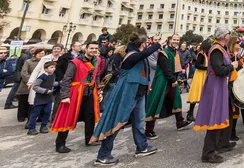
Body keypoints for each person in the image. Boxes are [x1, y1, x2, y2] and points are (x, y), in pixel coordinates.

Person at [90, 34, 165, 166]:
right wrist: (158, 44)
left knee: (139, 122)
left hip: (139, 93)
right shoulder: (131, 55)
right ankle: (103, 155)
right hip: (127, 93)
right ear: (142, 44)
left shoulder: (135, 53)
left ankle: (142, 147)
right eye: (146, 44)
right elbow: (143, 55)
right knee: (117, 121)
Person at [195, 25, 240, 164]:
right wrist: (233, 65)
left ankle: (221, 144)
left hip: (220, 85)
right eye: (228, 33)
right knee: (214, 118)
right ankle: (208, 154)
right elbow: (219, 70)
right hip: (215, 86)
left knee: (223, 114)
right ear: (224, 36)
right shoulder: (215, 50)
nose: (229, 35)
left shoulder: (220, 48)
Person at [51, 41, 101, 153]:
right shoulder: (75, 62)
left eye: (95, 48)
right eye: (91, 48)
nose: (93, 50)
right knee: (67, 117)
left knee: (90, 117)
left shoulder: (97, 61)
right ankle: (60, 144)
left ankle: (89, 139)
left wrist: (98, 90)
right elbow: (66, 79)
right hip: (75, 93)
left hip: (90, 94)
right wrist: (65, 95)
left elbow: (96, 76)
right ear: (86, 49)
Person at [145, 34, 191, 138]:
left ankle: (180, 122)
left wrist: (175, 79)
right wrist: (173, 79)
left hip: (171, 80)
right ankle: (148, 130)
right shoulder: (164, 53)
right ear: (170, 40)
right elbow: (166, 69)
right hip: (163, 80)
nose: (175, 41)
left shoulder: (174, 52)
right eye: (174, 39)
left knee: (176, 99)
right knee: (156, 101)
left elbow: (174, 67)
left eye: (177, 40)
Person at [226, 35, 244, 140]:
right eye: (237, 43)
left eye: (239, 43)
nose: (239, 45)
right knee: (233, 110)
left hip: (238, 84)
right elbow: (235, 71)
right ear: (232, 44)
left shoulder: (236, 55)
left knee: (237, 110)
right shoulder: (229, 55)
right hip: (232, 85)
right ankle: (230, 133)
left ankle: (232, 132)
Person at [51, 42, 81, 122]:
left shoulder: (81, 57)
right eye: (78, 46)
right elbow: (58, 69)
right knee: (59, 101)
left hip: (76, 82)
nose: (80, 47)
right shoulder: (64, 57)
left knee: (72, 102)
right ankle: (54, 119)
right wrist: (62, 79)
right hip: (64, 81)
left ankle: (67, 119)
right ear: (73, 47)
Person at [27, 61, 57, 135]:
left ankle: (43, 127)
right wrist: (45, 91)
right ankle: (31, 128)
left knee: (47, 112)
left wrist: (59, 83)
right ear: (46, 69)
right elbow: (35, 87)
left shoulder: (53, 75)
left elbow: (51, 84)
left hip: (49, 98)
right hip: (40, 98)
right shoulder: (42, 77)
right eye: (51, 67)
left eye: (54, 67)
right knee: (35, 114)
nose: (53, 69)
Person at [16, 48, 46, 123]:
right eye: (39, 53)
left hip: (39, 85)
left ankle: (34, 116)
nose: (41, 55)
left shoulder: (45, 62)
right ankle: (21, 116)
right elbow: (24, 72)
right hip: (27, 84)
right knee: (24, 101)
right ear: (35, 54)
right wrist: (31, 81)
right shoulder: (28, 61)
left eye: (43, 53)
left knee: (34, 102)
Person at [186, 39, 212, 122]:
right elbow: (197, 65)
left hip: (204, 75)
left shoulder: (206, 54)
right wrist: (207, 68)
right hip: (200, 75)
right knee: (196, 94)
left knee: (204, 95)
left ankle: (202, 114)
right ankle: (190, 113)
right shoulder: (201, 54)